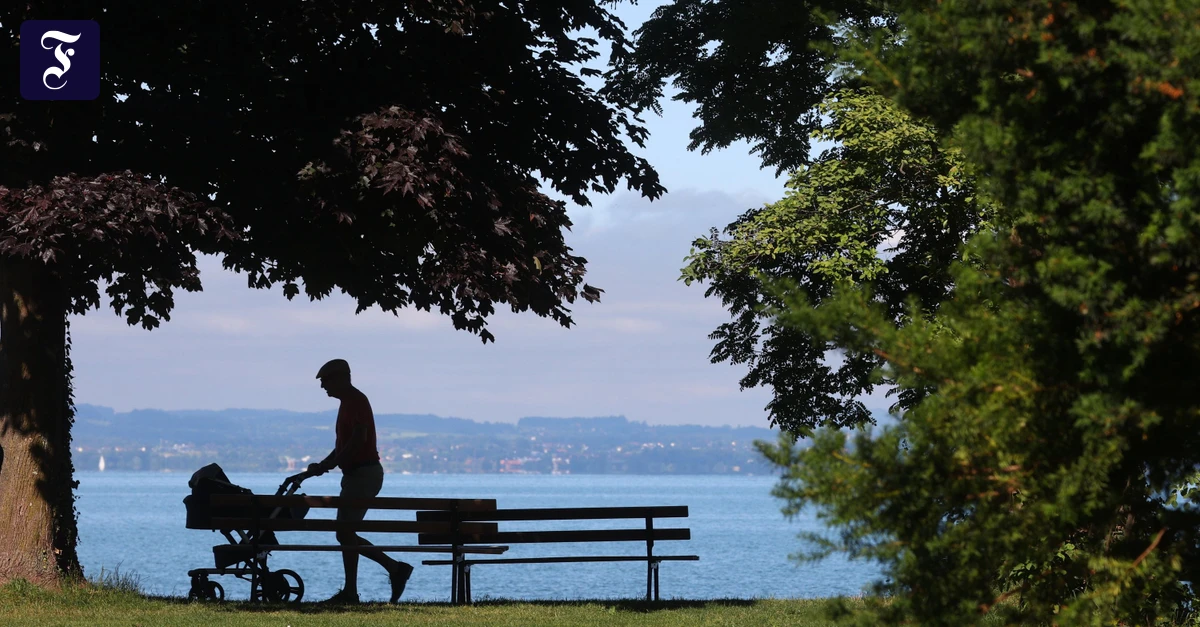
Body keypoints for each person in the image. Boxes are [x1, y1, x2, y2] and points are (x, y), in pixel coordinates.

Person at [284, 358, 413, 604]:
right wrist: (323, 464)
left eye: (325, 381)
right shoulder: (347, 403)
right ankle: (377, 578)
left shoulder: (356, 401)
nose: (323, 387)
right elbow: (343, 446)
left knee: (344, 532)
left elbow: (358, 439)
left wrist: (330, 464)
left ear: (341, 378)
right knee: (345, 532)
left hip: (363, 474)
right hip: (355, 475)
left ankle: (384, 574)